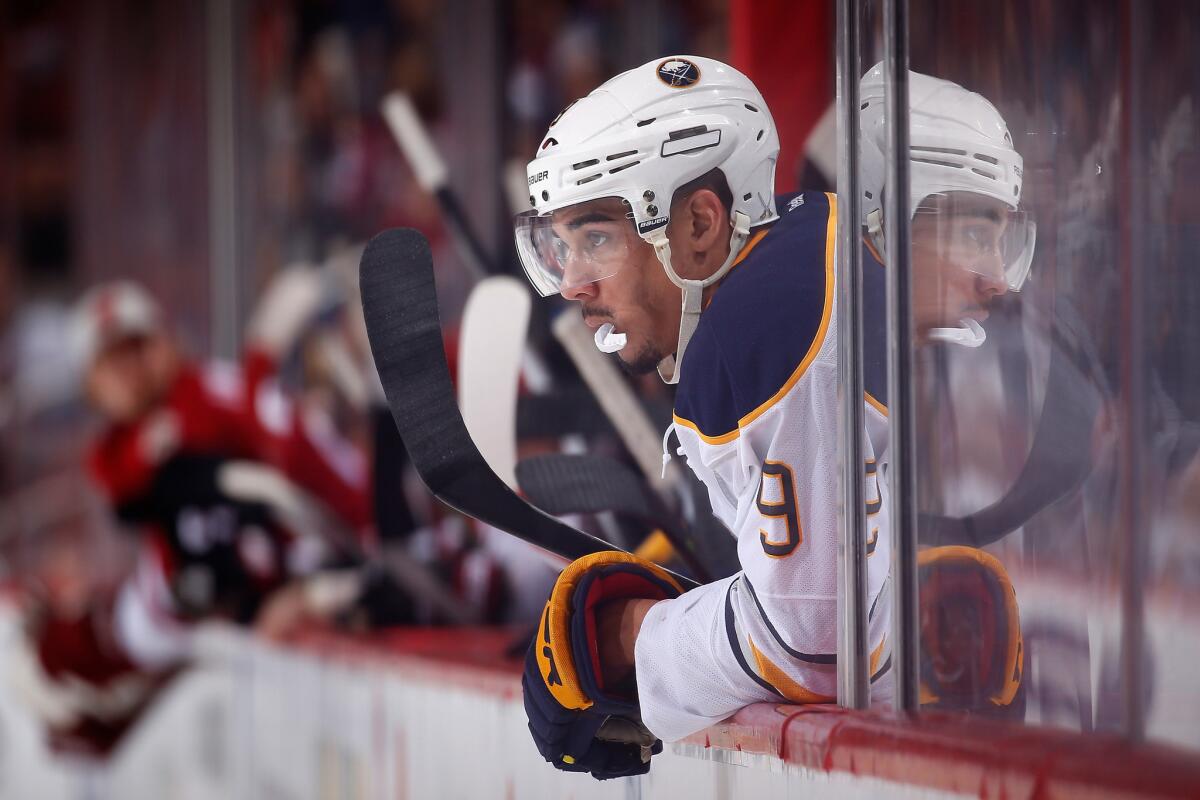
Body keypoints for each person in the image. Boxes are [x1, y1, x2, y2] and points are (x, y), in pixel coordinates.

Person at [516, 56, 1032, 780]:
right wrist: (908, 623)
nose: (572, 283)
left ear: (700, 222)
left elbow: (814, 643)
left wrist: (628, 639)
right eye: (559, 247)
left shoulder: (771, 321)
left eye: (597, 238)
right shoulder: (784, 270)